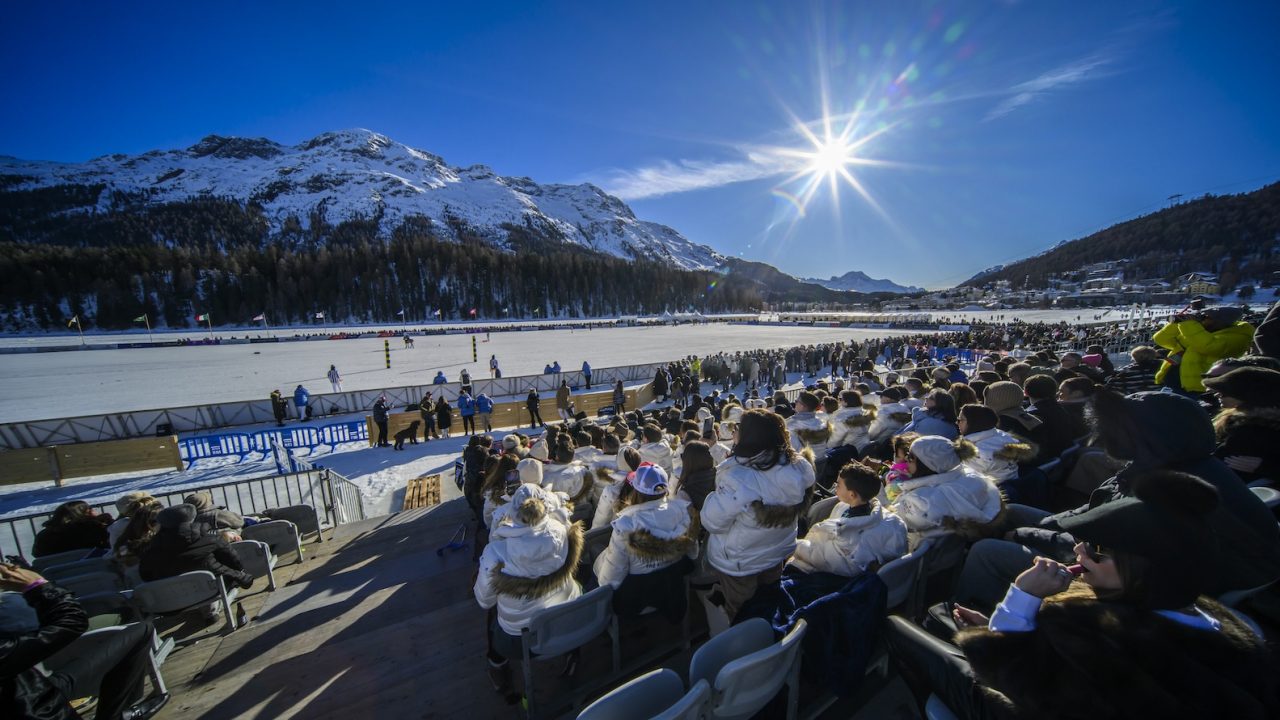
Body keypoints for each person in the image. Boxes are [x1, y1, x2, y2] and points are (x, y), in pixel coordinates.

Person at [887, 471, 1278, 720]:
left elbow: (1009, 679)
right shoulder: (1214, 615)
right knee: (945, 616)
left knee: (899, 628)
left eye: (1096, 550)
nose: (1079, 553)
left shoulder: (1095, 630)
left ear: (1144, 568)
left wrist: (1019, 601)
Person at [953, 389, 1280, 613]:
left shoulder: (1161, 488)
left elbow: (1096, 552)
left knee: (987, 551)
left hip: (1132, 582)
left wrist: (1027, 535)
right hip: (1125, 559)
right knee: (1011, 511)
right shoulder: (1192, 464)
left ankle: (975, 608)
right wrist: (1045, 525)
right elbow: (1093, 519)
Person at [0, 563, 168, 720]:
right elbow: (73, 622)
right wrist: (37, 586)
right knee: (142, 629)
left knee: (139, 632)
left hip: (33, 687)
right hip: (40, 708)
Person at [701, 409, 816, 620]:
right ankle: (771, 630)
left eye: (738, 428)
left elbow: (712, 522)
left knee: (742, 610)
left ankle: (748, 645)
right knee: (769, 597)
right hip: (777, 550)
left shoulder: (738, 478)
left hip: (740, 560)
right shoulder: (799, 466)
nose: (734, 431)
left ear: (750, 436)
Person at [474, 483, 583, 699]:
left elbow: (484, 601)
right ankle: (572, 650)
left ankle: (497, 663)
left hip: (520, 640)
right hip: (567, 618)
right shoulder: (562, 530)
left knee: (492, 613)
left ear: (513, 512)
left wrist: (497, 533)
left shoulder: (496, 552)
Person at [593, 464, 698, 619]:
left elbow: (610, 580)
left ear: (636, 490)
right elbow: (693, 553)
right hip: (672, 586)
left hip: (637, 596)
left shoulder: (626, 525)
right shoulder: (683, 511)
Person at [790, 462, 908, 576]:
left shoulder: (850, 538)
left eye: (839, 484)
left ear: (852, 495)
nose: (835, 486)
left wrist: (792, 546)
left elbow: (826, 559)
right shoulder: (844, 506)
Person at [891, 435, 1005, 540]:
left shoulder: (922, 501)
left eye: (911, 457)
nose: (906, 461)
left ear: (927, 465)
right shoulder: (973, 477)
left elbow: (892, 524)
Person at [139, 504, 255, 591]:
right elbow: (234, 561)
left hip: (172, 601)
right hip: (213, 589)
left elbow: (146, 576)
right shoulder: (211, 537)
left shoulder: (151, 549)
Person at [1153, 305, 1254, 394]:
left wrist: (1189, 324)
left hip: (1199, 389)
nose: (1202, 319)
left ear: (1220, 321)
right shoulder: (1196, 331)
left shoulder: (1238, 336)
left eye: (1206, 317)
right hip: (1172, 384)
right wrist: (1177, 323)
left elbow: (1209, 347)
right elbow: (1161, 339)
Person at [1205, 367, 1280, 483]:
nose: (1218, 395)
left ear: (1251, 395)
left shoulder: (1251, 430)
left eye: (1226, 392)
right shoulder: (1237, 421)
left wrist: (1266, 468)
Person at [32, 501, 111, 558]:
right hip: (95, 568)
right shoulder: (93, 527)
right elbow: (111, 544)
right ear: (86, 512)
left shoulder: (43, 535)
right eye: (91, 509)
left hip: (56, 574)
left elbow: (37, 555)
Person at [786, 390, 833, 457]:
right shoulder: (821, 423)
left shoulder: (791, 425)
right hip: (821, 462)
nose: (795, 403)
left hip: (801, 464)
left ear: (802, 406)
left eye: (796, 401)